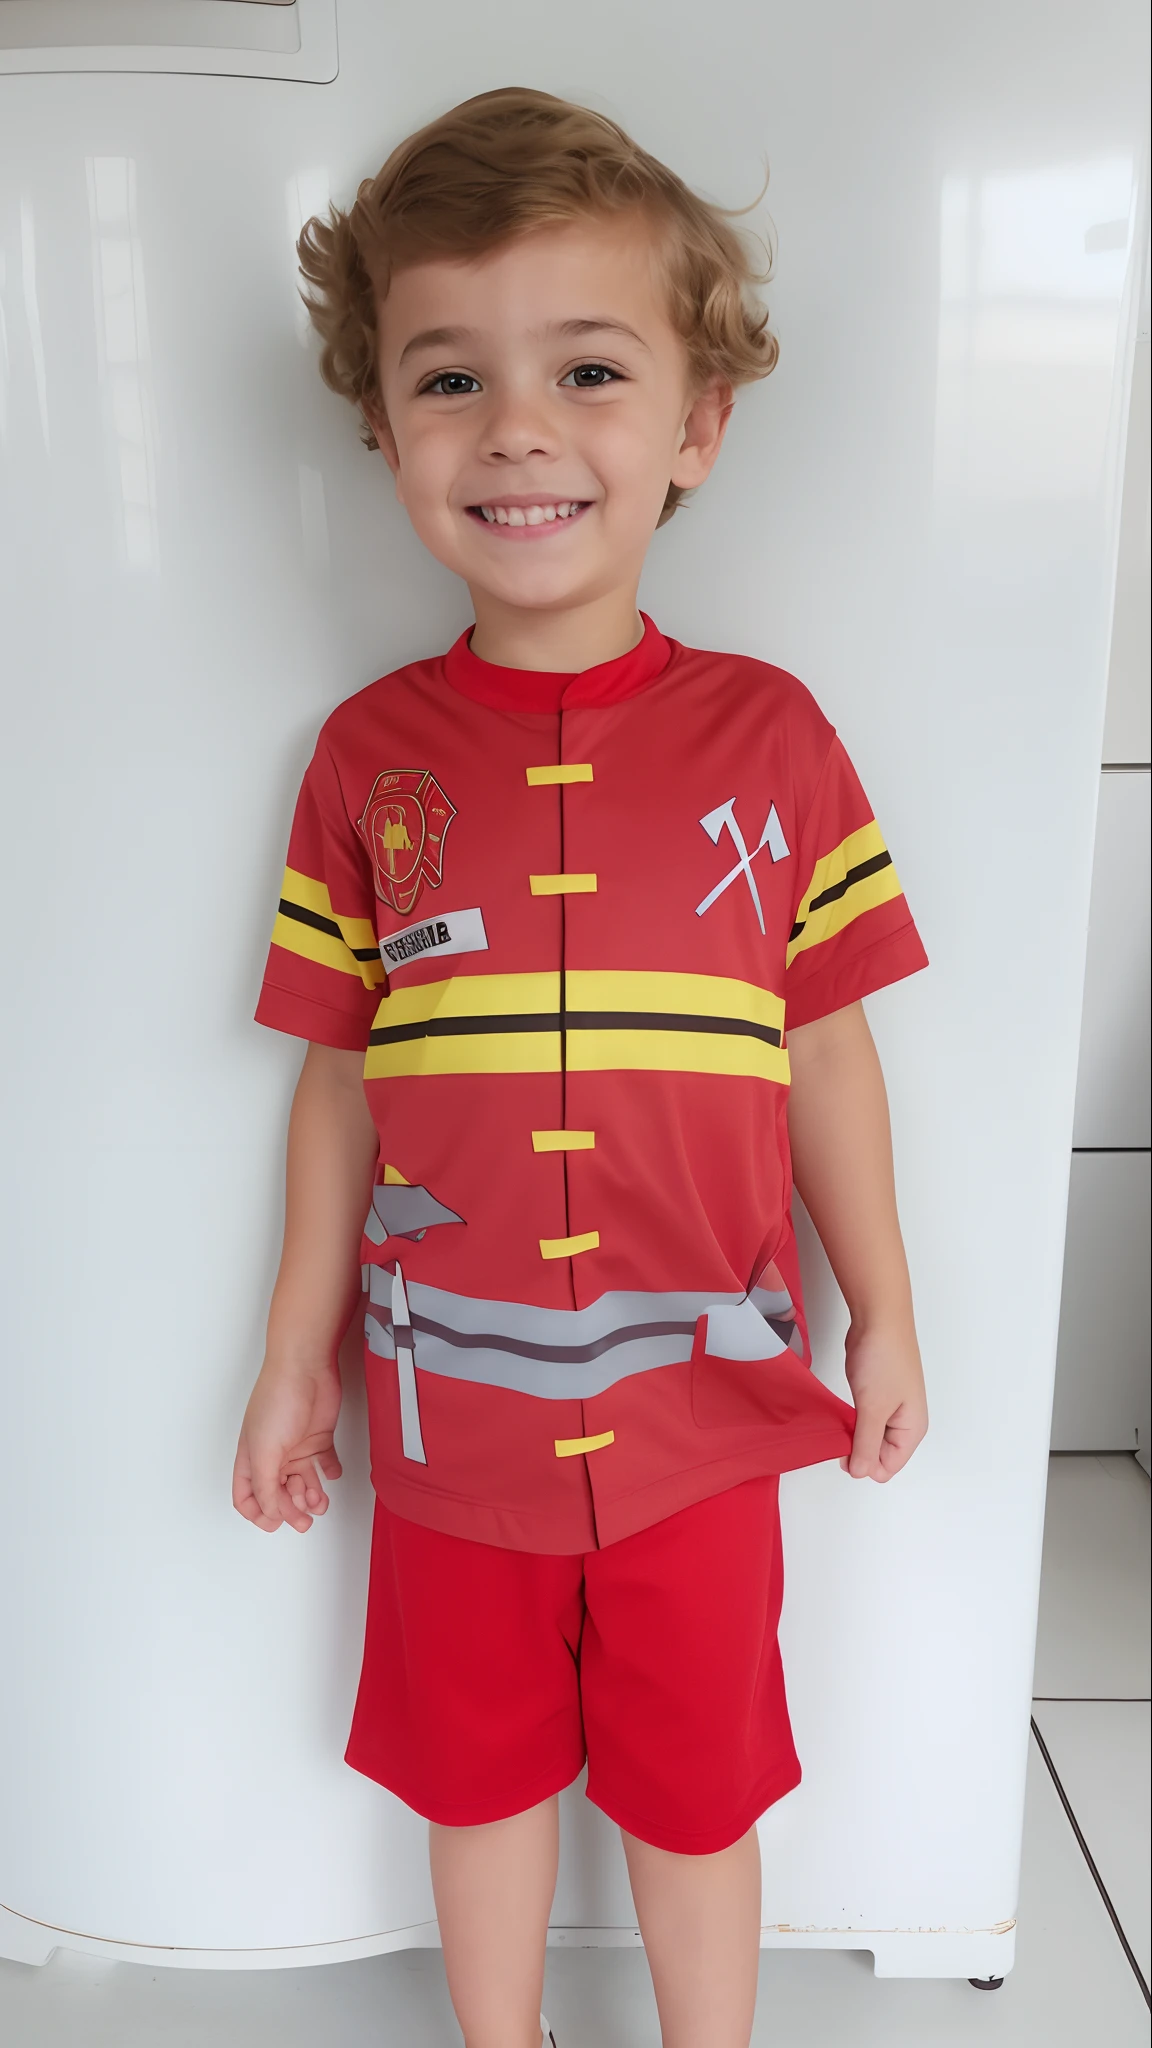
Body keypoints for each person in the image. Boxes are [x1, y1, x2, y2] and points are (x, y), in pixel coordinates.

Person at [232, 86, 930, 2048]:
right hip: (449, 1418)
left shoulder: (772, 740)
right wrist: (296, 1355)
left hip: (706, 1410)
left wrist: (887, 1307)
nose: (518, 429)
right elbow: (339, 1081)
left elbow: (832, 1050)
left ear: (696, 427)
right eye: (448, 377)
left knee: (698, 1785)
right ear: (385, 432)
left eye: (590, 369)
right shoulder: (366, 760)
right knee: (475, 1778)